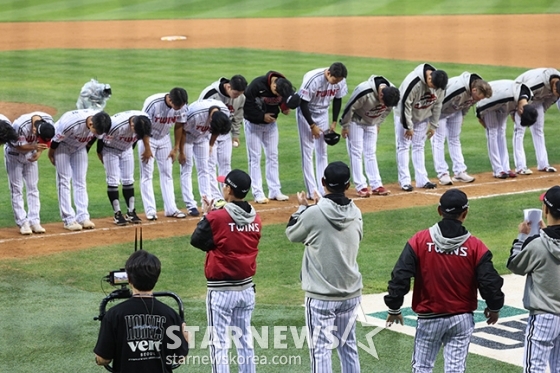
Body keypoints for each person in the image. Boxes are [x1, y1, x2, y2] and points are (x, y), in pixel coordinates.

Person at [384, 189, 504, 373]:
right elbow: (489, 281)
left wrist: (394, 306)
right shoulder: (475, 246)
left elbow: (401, 275)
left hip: (429, 318)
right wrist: (494, 306)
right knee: (455, 369)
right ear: (465, 213)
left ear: (440, 211)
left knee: (422, 367)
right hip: (461, 319)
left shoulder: (419, 240)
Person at [285, 161, 363, 373]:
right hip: (350, 292)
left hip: (321, 296)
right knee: (348, 347)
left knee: (320, 350)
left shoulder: (313, 213)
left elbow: (292, 233)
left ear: (323, 183)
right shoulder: (356, 212)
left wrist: (303, 207)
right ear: (348, 185)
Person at [190, 169, 261, 373]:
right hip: (246, 290)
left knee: (219, 343)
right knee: (245, 341)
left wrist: (207, 215)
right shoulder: (256, 219)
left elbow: (197, 240)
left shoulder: (217, 218)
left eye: (224, 185)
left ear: (229, 189)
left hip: (221, 291)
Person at [94, 250, 189, 373]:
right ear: (157, 277)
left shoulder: (114, 314)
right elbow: (180, 358)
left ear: (128, 278)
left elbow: (103, 359)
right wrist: (186, 338)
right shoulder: (170, 314)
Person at [507, 185, 560, 372]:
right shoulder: (539, 242)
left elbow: (514, 265)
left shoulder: (537, 244)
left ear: (545, 210)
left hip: (543, 317)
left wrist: (522, 236)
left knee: (534, 368)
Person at [243, 71, 301, 204]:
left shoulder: (284, 85)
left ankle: (275, 190)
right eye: (277, 93)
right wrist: (261, 116)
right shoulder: (257, 85)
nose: (278, 96)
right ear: (273, 86)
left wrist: (285, 107)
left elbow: (286, 99)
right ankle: (258, 193)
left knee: (273, 156)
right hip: (253, 125)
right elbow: (246, 106)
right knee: (255, 158)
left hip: (271, 126)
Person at [48, 109, 111, 231]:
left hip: (79, 148)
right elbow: (55, 140)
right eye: (96, 131)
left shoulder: (102, 122)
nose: (98, 134)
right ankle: (68, 219)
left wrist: (85, 149)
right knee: (64, 180)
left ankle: (83, 216)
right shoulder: (70, 123)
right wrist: (51, 154)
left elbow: (94, 138)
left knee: (80, 181)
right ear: (91, 124)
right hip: (62, 146)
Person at [339, 74, 400, 197]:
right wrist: (345, 126)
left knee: (371, 152)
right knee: (356, 152)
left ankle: (376, 184)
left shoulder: (392, 93)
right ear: (381, 94)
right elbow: (349, 108)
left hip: (372, 123)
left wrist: (378, 123)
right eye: (383, 102)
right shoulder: (364, 91)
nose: (384, 105)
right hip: (356, 122)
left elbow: (387, 110)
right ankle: (361, 186)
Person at [296, 62, 348, 199]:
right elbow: (303, 103)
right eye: (335, 80)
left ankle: (323, 188)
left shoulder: (340, 81)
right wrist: (312, 126)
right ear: (329, 73)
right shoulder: (313, 80)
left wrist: (334, 121)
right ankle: (311, 191)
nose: (337, 83)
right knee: (307, 152)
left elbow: (338, 99)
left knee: (322, 151)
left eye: (340, 80)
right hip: (306, 113)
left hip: (323, 113)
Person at [393, 63, 448, 192]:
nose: (435, 90)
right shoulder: (414, 83)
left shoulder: (440, 84)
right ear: (429, 79)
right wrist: (408, 126)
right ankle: (405, 181)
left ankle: (422, 180)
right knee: (403, 146)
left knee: (419, 146)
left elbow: (438, 105)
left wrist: (434, 125)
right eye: (433, 87)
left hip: (423, 116)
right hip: (404, 115)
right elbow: (404, 104)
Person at [431, 72, 493, 185]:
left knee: (455, 139)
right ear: (474, 90)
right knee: (438, 140)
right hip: (439, 111)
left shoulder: (477, 89)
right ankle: (442, 173)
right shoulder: (457, 89)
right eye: (478, 98)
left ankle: (460, 171)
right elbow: (438, 103)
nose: (478, 100)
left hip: (456, 111)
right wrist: (432, 122)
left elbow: (468, 104)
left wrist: (463, 116)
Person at [198, 75, 248, 205]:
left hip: (225, 133)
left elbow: (238, 116)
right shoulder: (210, 94)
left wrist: (235, 134)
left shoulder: (241, 97)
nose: (237, 97)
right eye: (235, 93)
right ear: (228, 86)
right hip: (209, 133)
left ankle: (227, 196)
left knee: (226, 163)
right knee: (210, 165)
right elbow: (200, 114)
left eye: (240, 94)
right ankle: (214, 198)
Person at [140, 87, 188, 221]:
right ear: (170, 99)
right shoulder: (153, 103)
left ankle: (171, 209)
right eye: (177, 106)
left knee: (167, 172)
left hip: (164, 138)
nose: (179, 109)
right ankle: (150, 210)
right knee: (147, 174)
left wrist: (176, 147)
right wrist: (147, 148)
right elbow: (142, 126)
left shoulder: (182, 106)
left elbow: (179, 125)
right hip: (147, 138)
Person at [97, 111, 153, 225]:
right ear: (132, 125)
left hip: (126, 150)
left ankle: (131, 212)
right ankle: (117, 213)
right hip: (110, 150)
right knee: (113, 180)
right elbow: (100, 145)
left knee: (128, 179)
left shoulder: (144, 120)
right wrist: (102, 159)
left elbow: (144, 134)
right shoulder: (115, 126)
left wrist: (147, 148)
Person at [178, 99, 232, 216]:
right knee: (187, 169)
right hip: (187, 138)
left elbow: (217, 130)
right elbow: (182, 130)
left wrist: (211, 144)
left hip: (203, 139)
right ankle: (190, 205)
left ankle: (207, 203)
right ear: (210, 119)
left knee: (204, 169)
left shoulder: (224, 112)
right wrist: (181, 151)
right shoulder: (195, 114)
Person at [476, 80, 538, 179]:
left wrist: (514, 113)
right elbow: (482, 106)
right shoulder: (504, 97)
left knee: (501, 131)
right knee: (492, 131)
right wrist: (479, 117)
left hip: (505, 103)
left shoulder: (529, 98)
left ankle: (506, 168)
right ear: (521, 110)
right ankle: (498, 170)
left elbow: (516, 105)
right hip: (490, 100)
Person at [5, 112, 54, 235]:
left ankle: (34, 221)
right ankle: (23, 223)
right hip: (14, 155)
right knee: (17, 189)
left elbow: (46, 141)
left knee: (33, 188)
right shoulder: (20, 126)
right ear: (34, 129)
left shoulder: (48, 122)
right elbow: (18, 147)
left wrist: (39, 152)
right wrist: (35, 146)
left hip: (31, 154)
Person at [512, 68, 560, 175]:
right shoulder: (537, 83)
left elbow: (548, 102)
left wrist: (540, 113)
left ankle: (543, 164)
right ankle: (520, 166)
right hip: (521, 98)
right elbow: (519, 92)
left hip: (538, 100)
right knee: (519, 131)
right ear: (554, 88)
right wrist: (515, 111)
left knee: (538, 130)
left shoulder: (557, 90)